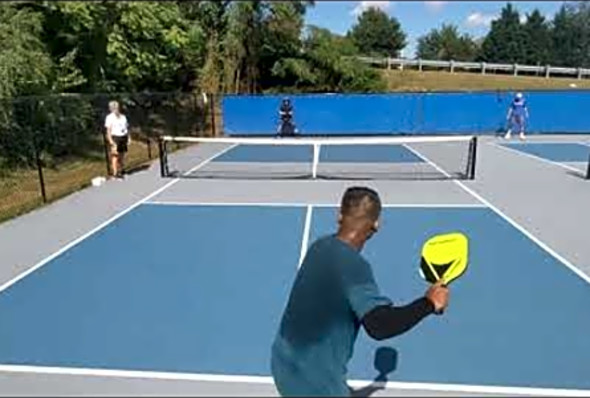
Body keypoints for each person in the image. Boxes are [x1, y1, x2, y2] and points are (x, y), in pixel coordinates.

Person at [271, 186, 449, 397]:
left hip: (283, 366)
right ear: (376, 225)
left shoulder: (319, 246)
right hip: (316, 385)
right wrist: (429, 303)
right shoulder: (354, 266)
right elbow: (379, 326)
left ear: (339, 215)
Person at [104, 100, 130, 179]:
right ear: (111, 109)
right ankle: (115, 173)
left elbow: (126, 128)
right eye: (114, 107)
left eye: (117, 107)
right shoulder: (109, 118)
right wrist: (111, 140)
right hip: (115, 137)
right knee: (115, 155)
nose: (116, 109)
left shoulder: (123, 117)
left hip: (123, 136)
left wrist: (129, 137)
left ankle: (122, 170)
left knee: (122, 155)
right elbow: (108, 130)